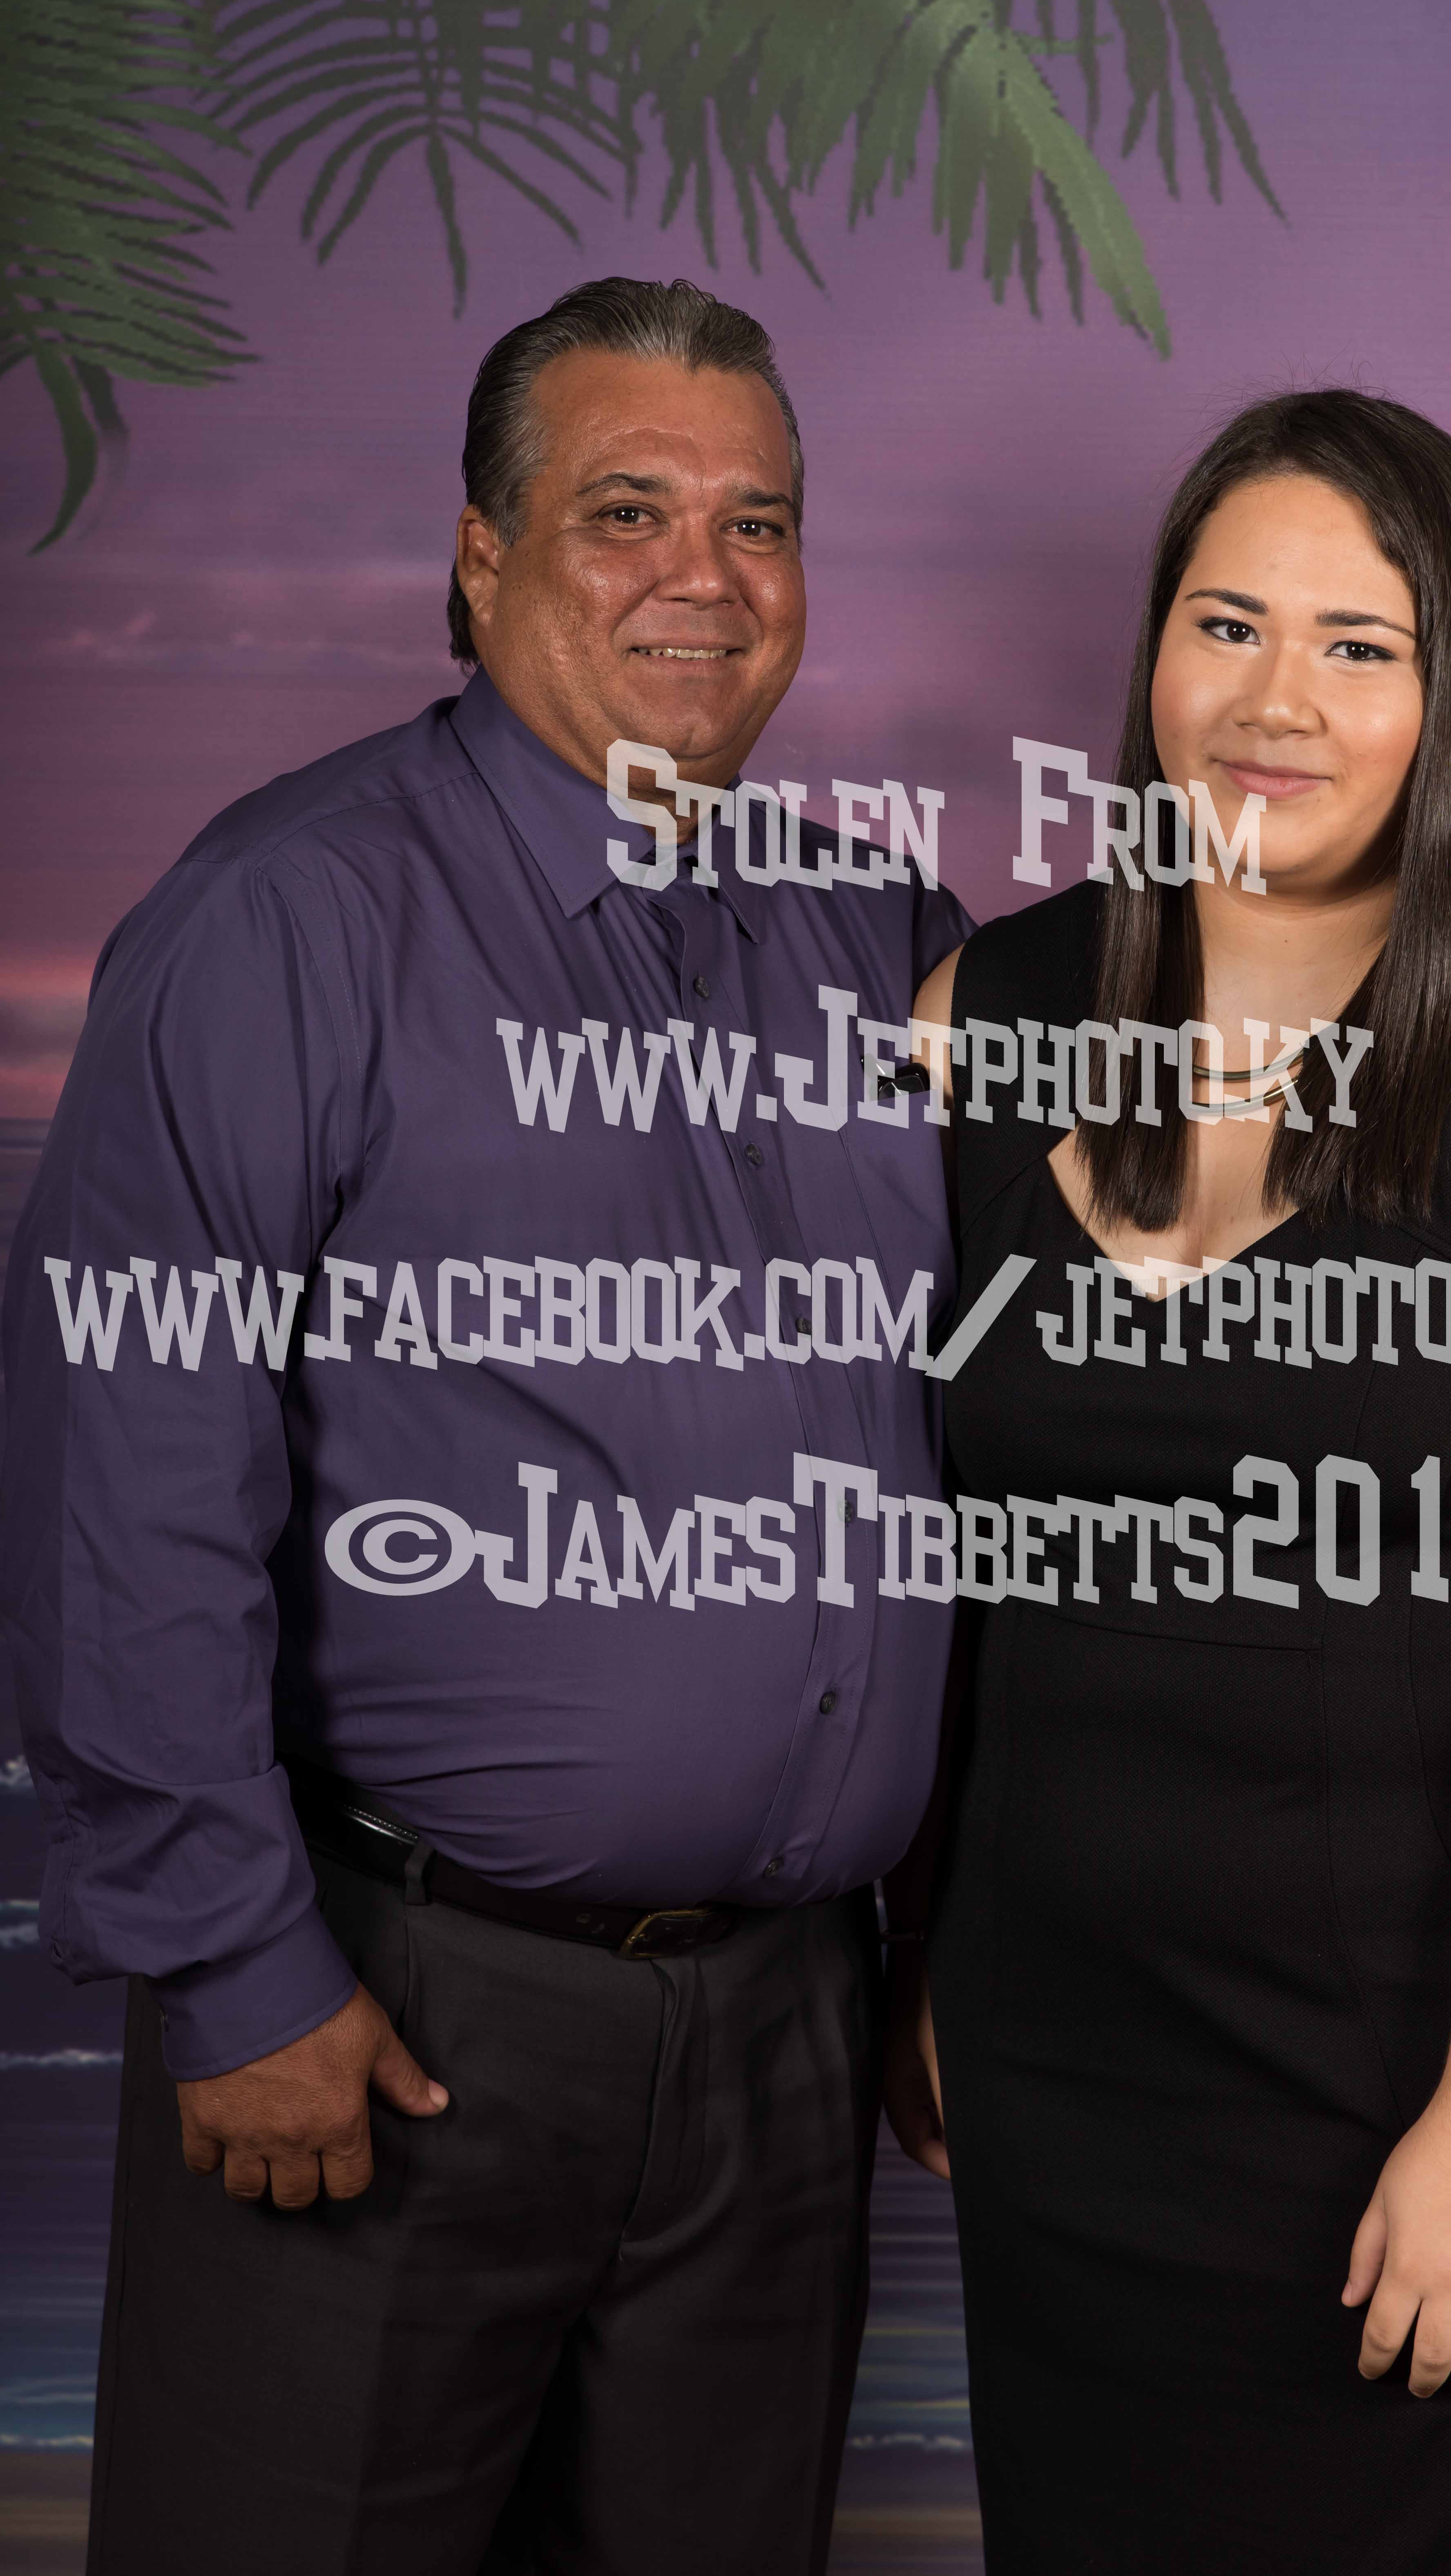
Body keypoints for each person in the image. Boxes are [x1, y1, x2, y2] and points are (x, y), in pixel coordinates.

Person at [2, 276, 970, 2576]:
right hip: (391, 2007)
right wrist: (235, 1965)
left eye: (758, 523)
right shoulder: (287, 920)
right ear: (480, 551)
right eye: (628, 511)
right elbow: (127, 1471)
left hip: (785, 2046)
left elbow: (1002, 1422)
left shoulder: (881, 939)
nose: (704, 575)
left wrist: (953, 1937)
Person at [883, 390, 1451, 2572]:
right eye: (1228, 625)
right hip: (1054, 2069)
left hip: (1411, 2076)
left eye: (1359, 646)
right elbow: (924, 1563)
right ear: (1155, 653)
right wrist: (917, 1944)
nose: (1275, 699)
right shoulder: (977, 1015)